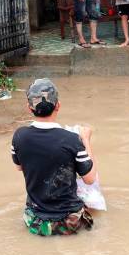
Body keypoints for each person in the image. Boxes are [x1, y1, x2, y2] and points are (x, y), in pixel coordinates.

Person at [11, 78, 98, 236]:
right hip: (70, 223)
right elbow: (90, 179)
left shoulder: (19, 137)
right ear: (58, 105)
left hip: (35, 222)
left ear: (30, 108)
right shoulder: (72, 140)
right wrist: (85, 140)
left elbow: (19, 167)